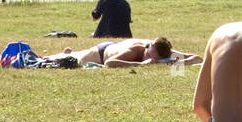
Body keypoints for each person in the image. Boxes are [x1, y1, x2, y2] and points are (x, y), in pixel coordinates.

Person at [47, 37, 201, 68]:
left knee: (75, 55)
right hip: (102, 53)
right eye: (148, 55)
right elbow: (109, 63)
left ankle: (71, 51)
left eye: (155, 59)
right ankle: (69, 52)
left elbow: (197, 58)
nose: (149, 59)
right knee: (71, 59)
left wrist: (179, 62)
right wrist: (142, 63)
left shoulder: (163, 51)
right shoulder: (135, 51)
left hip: (114, 46)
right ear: (148, 48)